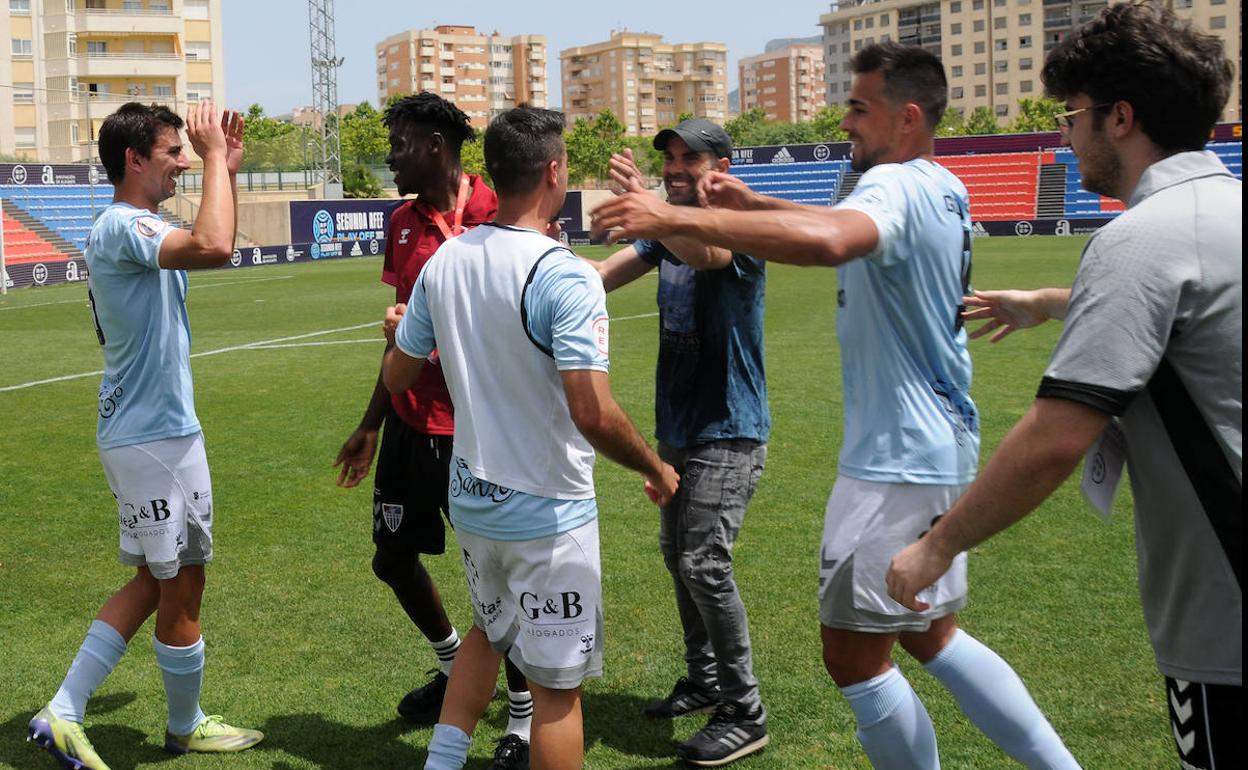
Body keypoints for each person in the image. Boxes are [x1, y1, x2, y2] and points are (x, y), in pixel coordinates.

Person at [592, 43, 1080, 770]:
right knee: (929, 636)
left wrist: (677, 217)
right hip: (933, 441)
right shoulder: (937, 184)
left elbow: (829, 238)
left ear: (906, 116)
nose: (844, 121)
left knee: (853, 655)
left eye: (858, 107)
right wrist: (754, 205)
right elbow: (841, 220)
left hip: (895, 460)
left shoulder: (894, 188)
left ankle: (744, 710)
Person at [886, 7, 1240, 769]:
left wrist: (934, 548)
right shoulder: (1225, 214)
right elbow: (1201, 321)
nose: (1063, 136)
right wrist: (1050, 301)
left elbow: (1054, 438)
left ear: (1120, 117)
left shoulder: (1140, 240)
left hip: (1227, 613)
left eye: (1071, 115)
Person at [383, 106, 679, 770]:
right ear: (554, 171)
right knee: (556, 693)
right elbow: (592, 412)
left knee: (487, 634)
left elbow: (400, 372)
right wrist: (656, 467)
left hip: (473, 502)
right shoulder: (563, 274)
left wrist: (396, 333)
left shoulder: (446, 261)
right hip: (545, 511)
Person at [27, 101, 263, 770]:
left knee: (161, 583)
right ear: (134, 160)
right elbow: (215, 248)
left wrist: (228, 173)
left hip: (151, 433)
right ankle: (81, 713)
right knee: (181, 583)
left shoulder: (133, 224)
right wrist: (216, 160)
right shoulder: (124, 224)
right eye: (172, 153)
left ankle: (89, 712)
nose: (183, 163)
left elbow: (213, 237)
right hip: (153, 438)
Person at [332, 91, 533, 768]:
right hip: (409, 424)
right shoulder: (400, 223)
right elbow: (401, 336)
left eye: (400, 144)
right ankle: (452, 662)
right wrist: (369, 423)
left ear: (436, 149)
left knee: (496, 583)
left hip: (476, 429)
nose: (389, 155)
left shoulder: (494, 212)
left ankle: (526, 716)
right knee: (391, 557)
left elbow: (521, 319)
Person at [591, 119, 771, 767]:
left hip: (730, 427)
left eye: (689, 157)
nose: (675, 165)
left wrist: (656, 211)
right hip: (679, 430)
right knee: (677, 555)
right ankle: (705, 679)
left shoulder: (735, 225)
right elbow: (598, 278)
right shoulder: (669, 231)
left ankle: (744, 710)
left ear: (720, 165)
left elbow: (707, 255)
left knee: (704, 563)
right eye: (668, 156)